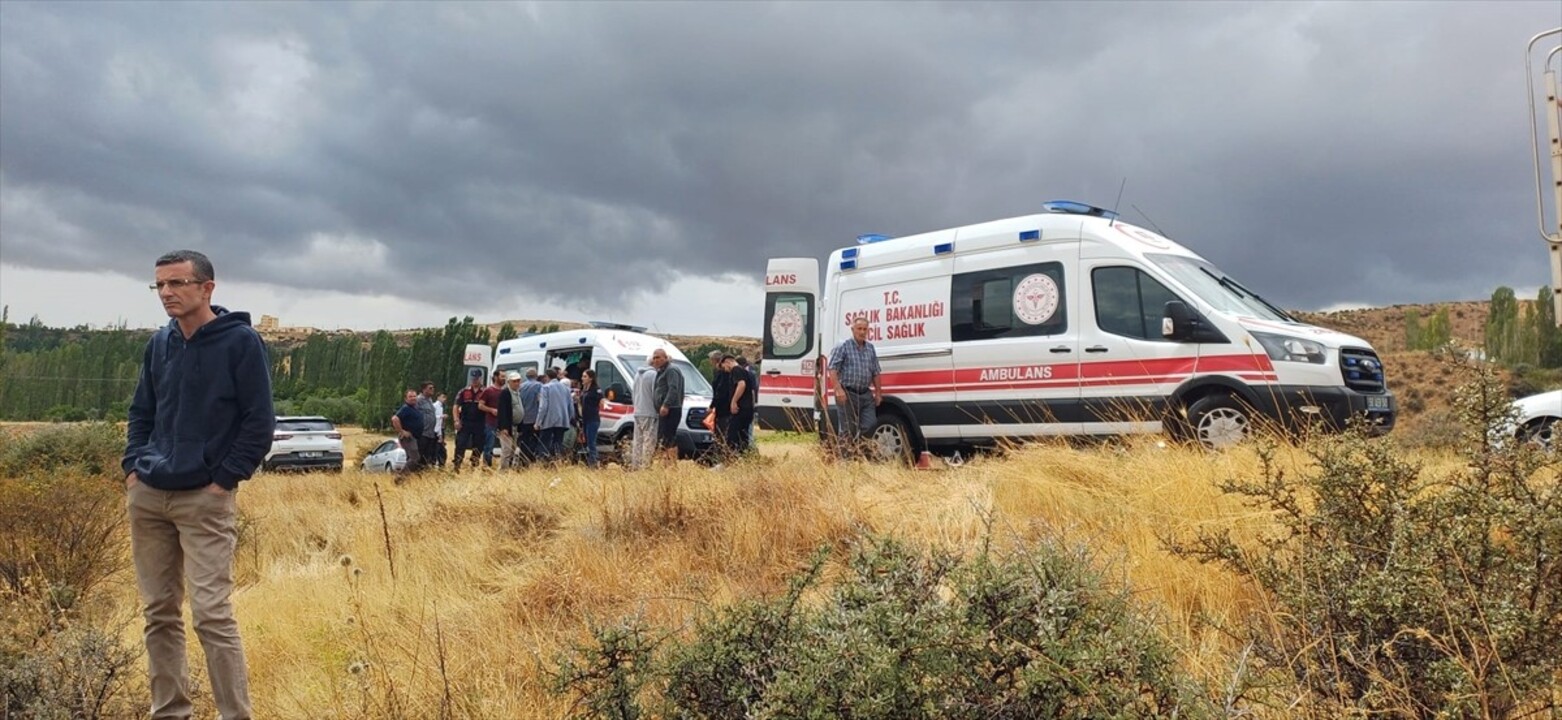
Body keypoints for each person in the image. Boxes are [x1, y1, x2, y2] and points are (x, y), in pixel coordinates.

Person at [122, 249, 272, 720]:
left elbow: (258, 422)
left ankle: (235, 715)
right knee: (159, 613)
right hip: (149, 494)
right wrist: (133, 466)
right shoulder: (159, 343)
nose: (167, 293)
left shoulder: (241, 343)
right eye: (160, 285)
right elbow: (142, 411)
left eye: (177, 284)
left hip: (203, 498)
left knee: (211, 613)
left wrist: (223, 480)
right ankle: (170, 712)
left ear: (207, 287)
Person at [828, 316, 882, 456]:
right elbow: (832, 369)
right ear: (852, 329)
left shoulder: (870, 348)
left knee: (870, 424)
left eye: (865, 329)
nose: (862, 332)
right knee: (848, 429)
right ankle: (845, 462)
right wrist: (838, 389)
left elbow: (876, 372)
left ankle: (859, 453)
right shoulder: (843, 346)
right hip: (847, 393)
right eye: (859, 329)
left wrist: (878, 393)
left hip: (865, 394)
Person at [652, 348, 685, 466]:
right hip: (664, 410)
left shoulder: (671, 370)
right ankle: (666, 463)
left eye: (658, 357)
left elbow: (673, 388)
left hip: (672, 409)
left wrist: (666, 404)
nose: (655, 360)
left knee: (669, 436)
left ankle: (671, 464)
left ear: (665, 358)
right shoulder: (661, 371)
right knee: (664, 437)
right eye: (654, 358)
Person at [535, 369, 572, 462]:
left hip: (548, 421)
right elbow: (570, 406)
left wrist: (538, 422)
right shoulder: (566, 389)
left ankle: (544, 464)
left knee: (544, 444)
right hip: (563, 421)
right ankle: (558, 462)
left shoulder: (545, 388)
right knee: (558, 443)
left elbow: (543, 407)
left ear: (547, 377)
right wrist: (569, 418)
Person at [722, 355, 755, 456]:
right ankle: (744, 456)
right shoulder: (746, 372)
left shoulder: (736, 370)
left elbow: (741, 384)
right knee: (742, 435)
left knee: (731, 435)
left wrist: (734, 401)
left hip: (740, 408)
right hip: (748, 409)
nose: (724, 370)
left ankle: (730, 459)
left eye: (723, 367)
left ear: (727, 362)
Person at [452, 372, 485, 470]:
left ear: (480, 379)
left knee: (478, 445)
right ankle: (457, 465)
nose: (475, 380)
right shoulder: (463, 391)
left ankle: (474, 465)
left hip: (480, 423)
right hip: (465, 422)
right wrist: (456, 420)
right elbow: (456, 406)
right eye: (473, 378)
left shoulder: (485, 391)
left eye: (477, 378)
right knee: (460, 443)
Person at [630, 364, 659, 470]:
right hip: (650, 411)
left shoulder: (637, 375)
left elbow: (633, 393)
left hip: (638, 411)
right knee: (649, 441)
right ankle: (645, 466)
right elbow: (655, 394)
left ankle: (635, 465)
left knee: (638, 441)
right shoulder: (653, 374)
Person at [708, 354, 737, 459]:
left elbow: (719, 392)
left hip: (723, 409)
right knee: (722, 434)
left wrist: (712, 405)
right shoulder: (728, 374)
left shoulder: (722, 375)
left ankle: (722, 458)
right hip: (725, 408)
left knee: (721, 434)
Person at [391, 389, 425, 473]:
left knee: (412, 459)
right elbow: (394, 418)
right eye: (410, 396)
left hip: (415, 437)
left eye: (414, 396)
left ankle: (407, 480)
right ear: (406, 399)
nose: (413, 398)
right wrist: (402, 431)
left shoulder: (414, 408)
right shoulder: (406, 408)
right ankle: (400, 477)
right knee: (415, 458)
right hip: (408, 438)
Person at [495, 371, 523, 469]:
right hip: (507, 427)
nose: (517, 383)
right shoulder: (505, 393)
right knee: (506, 450)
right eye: (514, 381)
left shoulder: (517, 393)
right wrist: (504, 427)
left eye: (518, 381)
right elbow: (502, 411)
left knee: (512, 450)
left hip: (515, 426)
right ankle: (503, 472)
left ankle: (508, 469)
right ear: (509, 382)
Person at [478, 370, 505, 467]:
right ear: (496, 377)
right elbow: (480, 405)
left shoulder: (504, 391)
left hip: (502, 423)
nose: (504, 378)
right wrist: (491, 410)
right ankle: (486, 466)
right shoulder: (488, 391)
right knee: (489, 445)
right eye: (502, 376)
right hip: (490, 422)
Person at [578, 369, 604, 467]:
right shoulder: (584, 390)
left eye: (585, 376)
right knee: (587, 441)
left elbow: (601, 399)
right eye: (582, 376)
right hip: (585, 418)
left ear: (591, 378)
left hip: (593, 419)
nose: (582, 379)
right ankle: (590, 461)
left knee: (591, 441)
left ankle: (594, 462)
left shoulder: (596, 390)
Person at [517, 368, 542, 466]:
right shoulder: (539, 386)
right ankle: (532, 461)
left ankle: (523, 462)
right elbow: (541, 402)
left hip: (523, 419)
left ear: (526, 376)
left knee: (523, 441)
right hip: (535, 419)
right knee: (535, 441)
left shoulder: (521, 387)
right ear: (536, 376)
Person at [736, 356, 760, 452]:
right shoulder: (752, 373)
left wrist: (752, 405)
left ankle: (751, 451)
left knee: (748, 431)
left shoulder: (747, 374)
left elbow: (752, 391)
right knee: (749, 431)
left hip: (747, 405)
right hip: (750, 405)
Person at [417, 381, 440, 468]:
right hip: (422, 433)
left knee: (427, 457)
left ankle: (423, 475)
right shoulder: (418, 400)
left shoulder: (430, 400)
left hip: (430, 433)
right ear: (423, 389)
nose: (432, 390)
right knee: (420, 455)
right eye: (430, 388)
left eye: (433, 388)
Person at [431, 392, 449, 467]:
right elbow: (433, 417)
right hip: (435, 430)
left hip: (439, 430)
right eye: (442, 397)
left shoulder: (442, 407)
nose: (444, 399)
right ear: (438, 397)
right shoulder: (435, 406)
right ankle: (434, 463)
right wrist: (441, 416)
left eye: (445, 397)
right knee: (436, 449)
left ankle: (440, 464)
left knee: (440, 450)